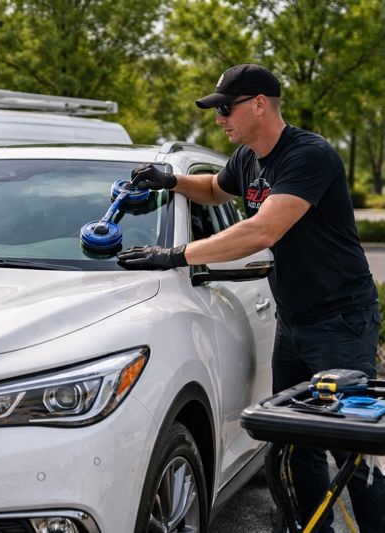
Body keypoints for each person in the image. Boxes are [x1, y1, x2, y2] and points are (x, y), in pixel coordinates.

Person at [118, 64, 383, 533]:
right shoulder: (247, 159)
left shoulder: (309, 155)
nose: (219, 119)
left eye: (225, 108)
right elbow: (216, 191)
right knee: (294, 441)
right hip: (295, 322)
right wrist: (171, 181)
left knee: (350, 446)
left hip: (341, 321)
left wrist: (175, 255)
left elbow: (263, 229)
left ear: (259, 104)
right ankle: (306, 527)